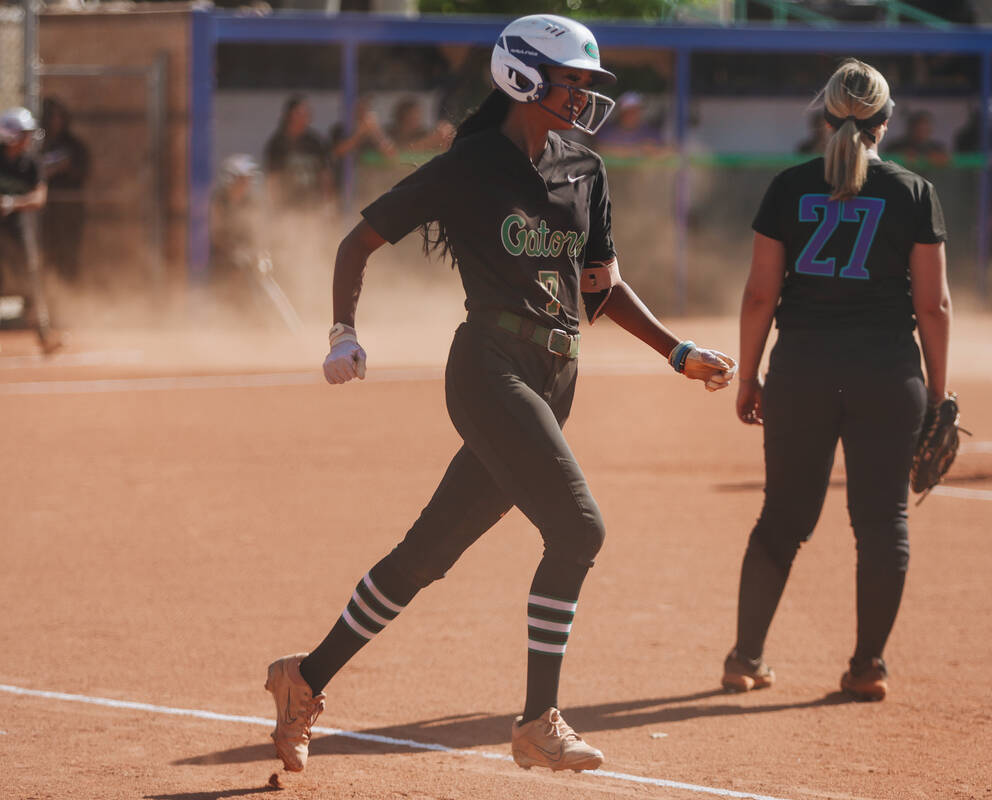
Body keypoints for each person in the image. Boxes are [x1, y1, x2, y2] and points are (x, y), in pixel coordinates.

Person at [263, 14, 736, 776]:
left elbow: (601, 289)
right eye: (571, 81)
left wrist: (676, 351)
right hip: (489, 367)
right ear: (521, 78)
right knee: (580, 530)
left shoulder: (585, 169)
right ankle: (536, 720)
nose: (582, 97)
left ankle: (303, 678)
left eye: (586, 85)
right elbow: (359, 243)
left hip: (555, 378)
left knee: (426, 555)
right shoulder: (470, 163)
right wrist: (342, 332)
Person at [724, 59, 951, 702]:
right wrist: (937, 392)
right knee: (882, 523)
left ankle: (745, 658)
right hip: (887, 372)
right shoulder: (913, 192)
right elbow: (933, 306)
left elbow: (759, 294)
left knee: (783, 516)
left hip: (803, 369)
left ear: (825, 116)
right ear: (886, 122)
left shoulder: (789, 186)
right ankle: (867, 666)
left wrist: (749, 377)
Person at [0, 107, 59, 356]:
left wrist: (13, 203)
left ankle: (43, 334)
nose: (28, 139)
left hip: (17, 230)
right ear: (11, 135)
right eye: (24, 134)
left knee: (30, 279)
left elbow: (39, 198)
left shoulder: (31, 163)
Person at [39, 97, 91, 283]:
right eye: (52, 117)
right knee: (46, 254)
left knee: (69, 255)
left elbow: (83, 171)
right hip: (44, 210)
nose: (56, 121)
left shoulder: (74, 145)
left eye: (60, 117)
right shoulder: (39, 144)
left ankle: (70, 291)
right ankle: (47, 296)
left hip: (69, 210)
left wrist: (66, 168)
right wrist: (51, 170)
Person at [262, 95, 333, 211]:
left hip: (312, 203)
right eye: (300, 114)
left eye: (307, 114)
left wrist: (327, 202)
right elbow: (272, 179)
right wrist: (274, 205)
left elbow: (325, 174)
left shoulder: (315, 142)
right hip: (288, 205)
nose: (305, 118)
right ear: (289, 116)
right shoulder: (277, 144)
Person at [595, 91, 667, 158]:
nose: (632, 115)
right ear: (621, 112)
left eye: (636, 111)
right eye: (629, 111)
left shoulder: (649, 131)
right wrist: (638, 150)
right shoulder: (608, 130)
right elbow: (600, 149)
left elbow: (665, 151)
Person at [386, 97, 456, 153]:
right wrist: (431, 141)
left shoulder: (422, 134)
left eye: (417, 117)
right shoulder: (389, 135)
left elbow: (441, 153)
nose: (415, 120)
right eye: (410, 117)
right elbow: (397, 153)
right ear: (399, 118)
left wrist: (446, 140)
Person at [883, 110, 950, 168]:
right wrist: (903, 157)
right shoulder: (896, 146)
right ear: (910, 128)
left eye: (925, 129)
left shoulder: (937, 148)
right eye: (919, 128)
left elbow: (947, 162)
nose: (922, 131)